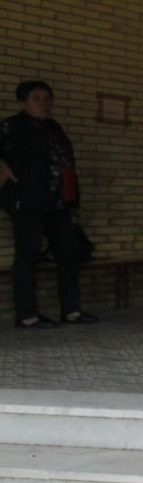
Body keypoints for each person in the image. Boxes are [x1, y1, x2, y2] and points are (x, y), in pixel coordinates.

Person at [0, 81, 93, 328]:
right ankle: (27, 316)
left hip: (59, 205)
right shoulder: (10, 126)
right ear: (23, 102)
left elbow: (67, 166)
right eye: (36, 98)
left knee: (68, 255)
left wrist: (74, 203)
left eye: (47, 98)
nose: (43, 103)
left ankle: (71, 311)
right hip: (27, 204)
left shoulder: (54, 128)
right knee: (27, 257)